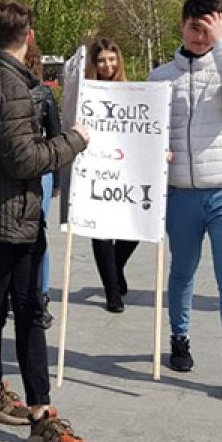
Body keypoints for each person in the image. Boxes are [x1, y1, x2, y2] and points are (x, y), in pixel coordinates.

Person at [0, 0, 90, 442]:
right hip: (9, 219)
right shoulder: (10, 86)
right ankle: (41, 417)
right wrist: (74, 141)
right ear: (28, 36)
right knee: (29, 312)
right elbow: (24, 160)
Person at [149, 0, 222, 408]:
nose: (200, 38)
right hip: (182, 192)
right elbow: (149, 131)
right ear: (182, 26)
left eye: (209, 30)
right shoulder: (161, 77)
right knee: (183, 270)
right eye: (195, 28)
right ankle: (179, 336)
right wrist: (157, 153)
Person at [84, 38, 140, 313]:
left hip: (128, 169)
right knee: (102, 231)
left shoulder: (131, 91)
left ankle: (115, 267)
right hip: (98, 167)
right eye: (101, 60)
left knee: (134, 228)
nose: (107, 65)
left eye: (111, 59)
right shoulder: (86, 93)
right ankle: (112, 292)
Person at [25, 40, 65, 327]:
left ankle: (41, 294)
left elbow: (55, 137)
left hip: (42, 172)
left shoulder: (44, 94)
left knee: (38, 231)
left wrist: (57, 178)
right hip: (12, 173)